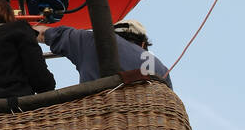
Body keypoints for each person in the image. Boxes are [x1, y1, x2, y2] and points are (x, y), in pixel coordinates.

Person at [34, 17, 173, 88]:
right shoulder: (160, 67)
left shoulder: (91, 40)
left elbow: (43, 33)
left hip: (96, 127)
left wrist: (18, 29)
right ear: (143, 44)